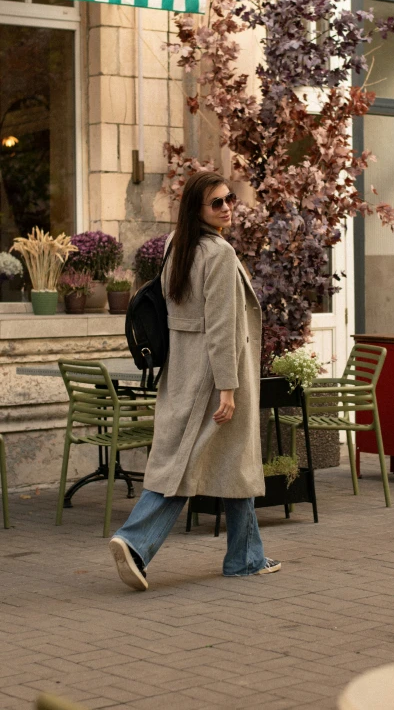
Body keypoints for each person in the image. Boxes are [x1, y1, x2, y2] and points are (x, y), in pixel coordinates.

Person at [109, 171, 280, 590]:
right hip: (213, 373)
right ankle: (134, 541)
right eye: (217, 203)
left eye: (230, 199)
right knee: (185, 463)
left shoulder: (178, 245)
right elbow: (221, 325)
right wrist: (228, 385)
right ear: (197, 209)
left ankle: (245, 556)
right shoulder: (217, 253)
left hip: (183, 368)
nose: (227, 208)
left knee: (233, 460)